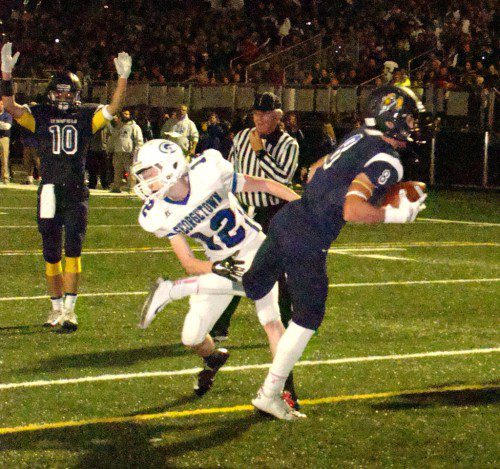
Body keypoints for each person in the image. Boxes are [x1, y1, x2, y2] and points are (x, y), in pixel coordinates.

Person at [240, 85, 428, 420]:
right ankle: (270, 393)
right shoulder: (388, 159)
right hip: (309, 236)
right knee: (309, 316)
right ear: (391, 120)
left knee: (250, 284)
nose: (413, 125)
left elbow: (315, 171)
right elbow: (352, 210)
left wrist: (343, 190)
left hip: (288, 217)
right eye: (410, 118)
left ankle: (179, 289)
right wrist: (395, 213)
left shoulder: (358, 136)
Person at [132, 139, 300, 398]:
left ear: (171, 166)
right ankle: (214, 358)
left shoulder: (208, 171)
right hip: (218, 263)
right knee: (191, 337)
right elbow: (188, 262)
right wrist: (216, 266)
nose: (145, 181)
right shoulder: (159, 213)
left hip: (252, 248)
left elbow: (264, 184)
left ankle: (283, 392)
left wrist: (301, 205)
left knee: (271, 320)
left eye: (148, 173)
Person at [1, 42, 131, 332]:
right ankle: (55, 307)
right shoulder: (41, 114)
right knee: (50, 251)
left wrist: (122, 79)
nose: (62, 96)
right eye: (58, 92)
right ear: (50, 93)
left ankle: (70, 311)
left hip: (75, 189)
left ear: (75, 94)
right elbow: (9, 106)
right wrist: (5, 75)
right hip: (48, 189)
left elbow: (113, 108)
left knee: (73, 249)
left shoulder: (85, 115)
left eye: (66, 92)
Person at [109, 108, 144, 193]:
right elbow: (113, 139)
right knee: (117, 171)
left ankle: (132, 188)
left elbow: (139, 140)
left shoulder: (134, 126)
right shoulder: (118, 127)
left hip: (128, 153)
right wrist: (110, 149)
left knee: (130, 171)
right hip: (117, 152)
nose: (126, 116)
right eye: (124, 114)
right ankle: (116, 187)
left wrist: (136, 152)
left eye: (127, 114)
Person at [0, 98, 12, 183]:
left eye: (1, 104)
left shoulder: (7, 115)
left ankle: (5, 178)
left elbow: (7, 126)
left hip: (4, 138)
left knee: (4, 158)